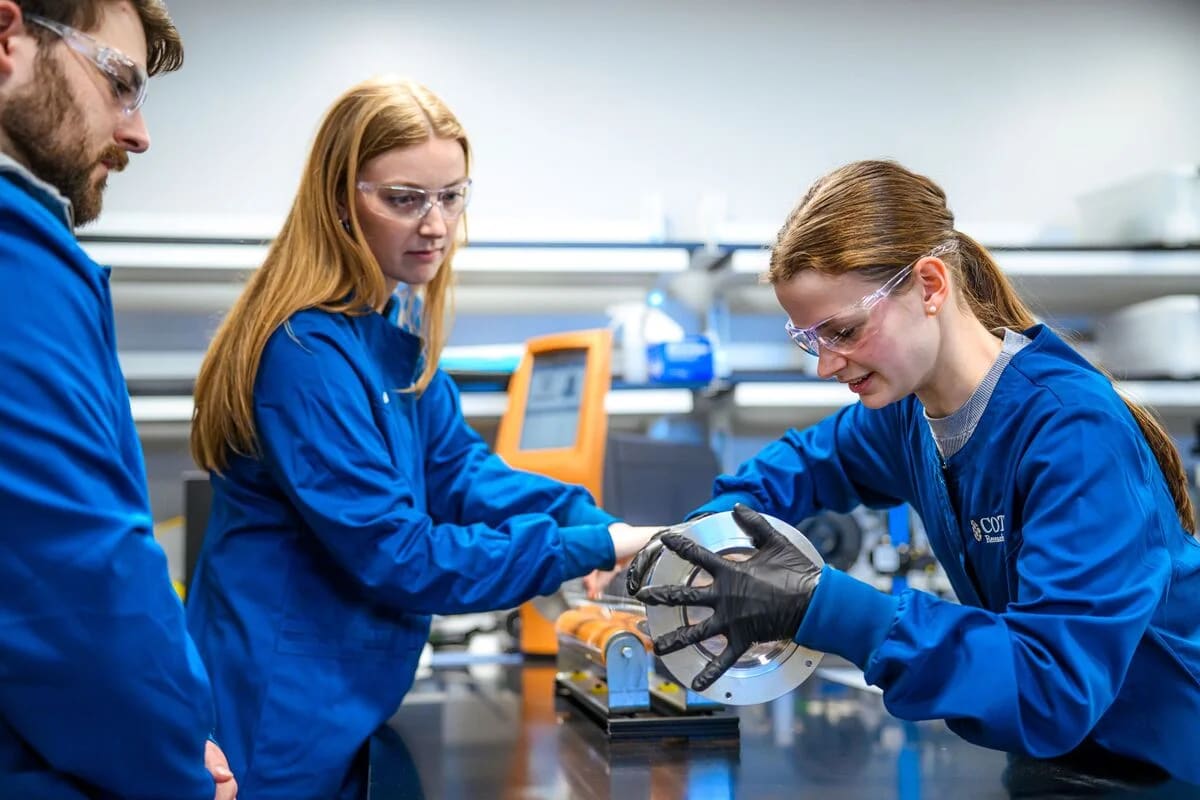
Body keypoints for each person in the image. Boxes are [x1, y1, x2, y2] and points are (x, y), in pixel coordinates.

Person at [632, 160, 1200, 788]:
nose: (826, 366)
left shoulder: (1071, 433)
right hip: (1054, 762)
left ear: (930, 286)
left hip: (1163, 768)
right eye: (809, 339)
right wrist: (708, 542)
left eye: (842, 331)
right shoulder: (908, 414)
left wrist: (824, 605)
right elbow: (796, 467)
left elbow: (1050, 687)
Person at [185, 75, 659, 800]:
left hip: (340, 703)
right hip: (274, 715)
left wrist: (591, 520)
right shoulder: (305, 356)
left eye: (452, 195)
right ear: (341, 199)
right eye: (405, 199)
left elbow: (460, 472)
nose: (435, 224)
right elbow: (398, 555)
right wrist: (586, 549)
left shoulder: (391, 336)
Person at [0, 1, 237, 798]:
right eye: (120, 83)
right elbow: (83, 584)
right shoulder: (17, 266)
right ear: (7, 39)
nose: (137, 134)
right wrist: (173, 764)